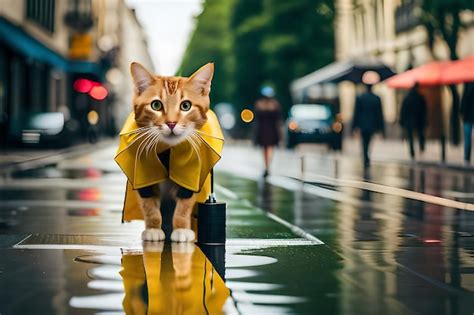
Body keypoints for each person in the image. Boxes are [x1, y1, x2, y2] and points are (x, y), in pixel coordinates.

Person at [351, 84, 385, 168]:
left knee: (364, 141)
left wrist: (354, 126)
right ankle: (366, 155)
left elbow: (356, 113)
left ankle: (365, 156)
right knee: (369, 140)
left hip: (363, 124)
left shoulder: (360, 97)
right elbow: (380, 114)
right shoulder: (376, 98)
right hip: (372, 124)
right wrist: (381, 128)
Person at [253, 86, 282, 177]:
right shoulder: (262, 104)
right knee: (266, 149)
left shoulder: (272, 104)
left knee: (269, 149)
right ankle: (267, 166)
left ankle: (267, 166)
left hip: (269, 130)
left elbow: (278, 120)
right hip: (265, 130)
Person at [400, 82, 427, 160]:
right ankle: (421, 149)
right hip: (419, 120)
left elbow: (403, 110)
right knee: (420, 135)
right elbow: (424, 110)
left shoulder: (407, 98)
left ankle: (412, 153)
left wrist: (402, 121)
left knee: (410, 137)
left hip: (410, 120)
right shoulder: (420, 97)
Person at [460, 82, 474, 164]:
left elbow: (464, 100)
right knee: (468, 138)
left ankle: (466, 158)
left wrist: (462, 112)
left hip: (467, 117)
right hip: (468, 117)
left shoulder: (467, 85)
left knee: (467, 138)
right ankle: (466, 158)